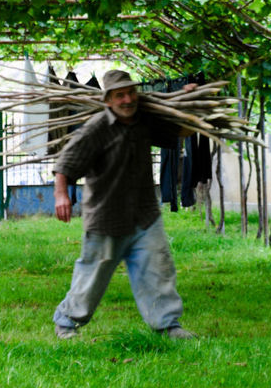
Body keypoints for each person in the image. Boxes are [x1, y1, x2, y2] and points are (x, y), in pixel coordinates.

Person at [52, 68, 196, 340]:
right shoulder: (96, 128)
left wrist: (188, 104)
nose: (127, 99)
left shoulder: (145, 121)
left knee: (157, 268)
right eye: (120, 95)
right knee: (92, 274)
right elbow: (65, 165)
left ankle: (167, 325)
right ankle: (67, 322)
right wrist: (61, 195)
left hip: (144, 214)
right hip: (107, 217)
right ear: (108, 100)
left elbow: (181, 131)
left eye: (130, 92)